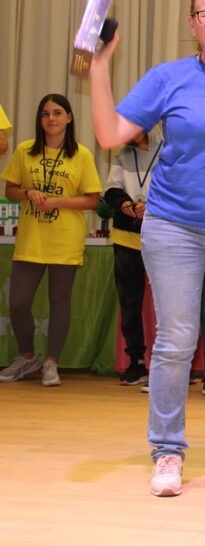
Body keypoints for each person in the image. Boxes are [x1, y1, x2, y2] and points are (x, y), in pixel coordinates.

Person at [88, 0, 205, 497]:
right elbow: (109, 134)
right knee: (175, 341)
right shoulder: (167, 78)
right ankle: (167, 452)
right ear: (192, 23)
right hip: (173, 227)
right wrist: (98, 66)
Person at [0, 94, 101, 386]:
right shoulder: (25, 150)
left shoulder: (82, 155)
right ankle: (28, 357)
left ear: (69, 117)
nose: (51, 119)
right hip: (31, 239)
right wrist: (28, 192)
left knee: (59, 302)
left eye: (57, 113)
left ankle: (51, 362)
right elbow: (10, 191)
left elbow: (93, 200)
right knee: (18, 302)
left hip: (64, 240)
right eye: (45, 114)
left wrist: (58, 202)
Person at [104, 127, 163, 387]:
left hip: (163, 235)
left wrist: (152, 206)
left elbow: (179, 188)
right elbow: (111, 189)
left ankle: (169, 364)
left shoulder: (168, 150)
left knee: (170, 304)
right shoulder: (122, 156)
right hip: (126, 237)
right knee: (129, 302)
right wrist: (125, 204)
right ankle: (136, 361)